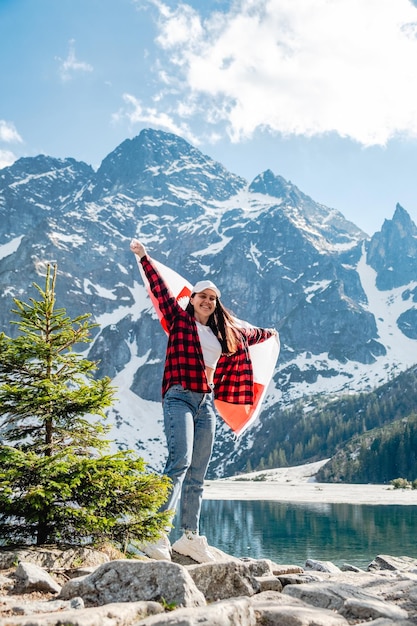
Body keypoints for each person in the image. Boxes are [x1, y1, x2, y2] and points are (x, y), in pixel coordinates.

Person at [130, 238, 277, 562]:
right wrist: (144, 257)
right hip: (179, 397)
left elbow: (251, 335)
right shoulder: (179, 320)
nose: (208, 301)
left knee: (198, 473)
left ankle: (189, 537)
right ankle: (153, 535)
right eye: (203, 296)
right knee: (179, 462)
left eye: (213, 298)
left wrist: (271, 334)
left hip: (205, 405)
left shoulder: (227, 333)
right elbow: (159, 290)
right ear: (192, 299)